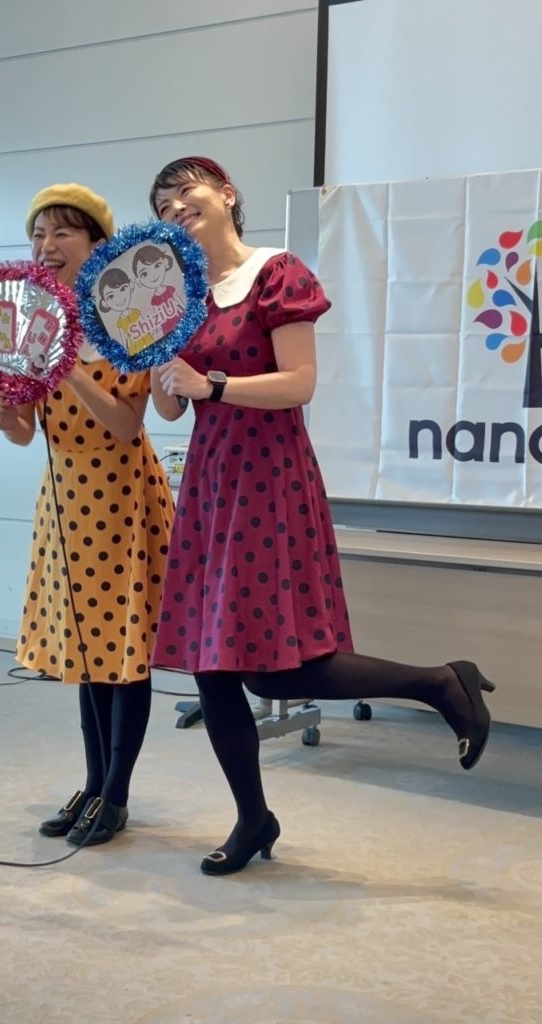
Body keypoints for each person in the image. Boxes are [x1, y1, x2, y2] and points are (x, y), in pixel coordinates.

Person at [147, 156, 496, 875]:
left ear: (227, 195)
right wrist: (160, 369)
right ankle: (253, 819)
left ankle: (439, 683)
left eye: (187, 192)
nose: (176, 208)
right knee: (214, 668)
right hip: (211, 484)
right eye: (162, 205)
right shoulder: (178, 298)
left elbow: (299, 384)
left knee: (276, 672)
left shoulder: (276, 272)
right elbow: (173, 407)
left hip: (268, 480)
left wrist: (212, 384)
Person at [0, 183, 174, 846]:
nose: (47, 245)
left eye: (63, 232)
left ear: (97, 245)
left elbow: (126, 425)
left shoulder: (129, 322)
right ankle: (94, 785)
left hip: (123, 500)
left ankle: (116, 795)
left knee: (126, 653)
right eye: (39, 235)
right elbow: (23, 433)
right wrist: (5, 412)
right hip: (66, 502)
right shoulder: (34, 325)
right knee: (89, 650)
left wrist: (66, 367)